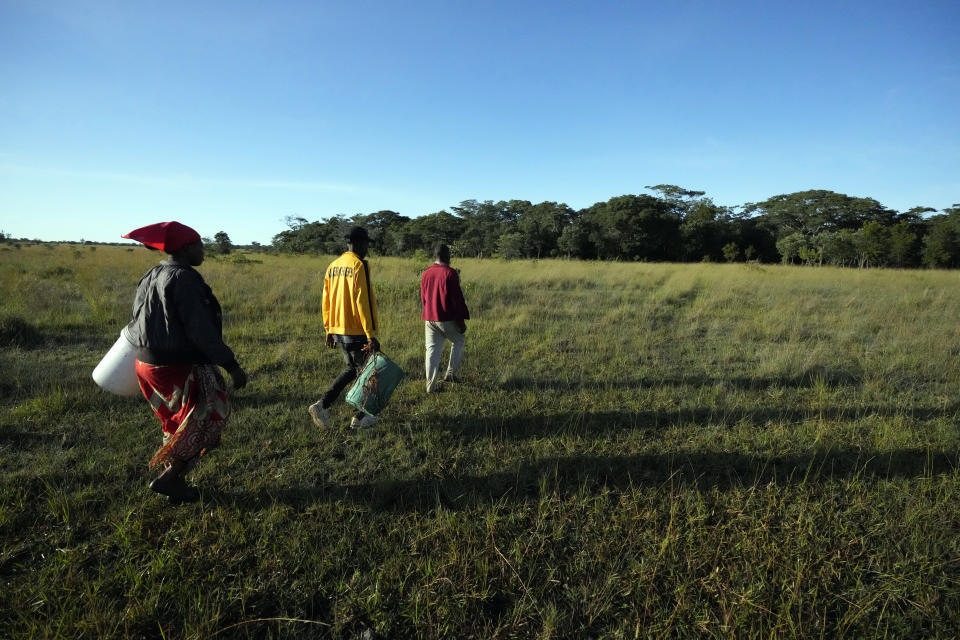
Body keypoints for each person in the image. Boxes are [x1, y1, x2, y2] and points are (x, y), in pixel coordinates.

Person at [122, 221, 248, 504]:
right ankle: (169, 478)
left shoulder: (153, 273)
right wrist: (231, 366)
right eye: (199, 245)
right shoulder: (184, 278)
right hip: (176, 365)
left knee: (176, 423)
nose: (203, 251)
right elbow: (200, 330)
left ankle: (174, 480)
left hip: (146, 364)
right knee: (208, 417)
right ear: (185, 248)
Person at [309, 226, 381, 430]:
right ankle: (360, 417)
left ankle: (322, 405)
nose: (367, 248)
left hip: (339, 329)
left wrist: (329, 329)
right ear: (358, 243)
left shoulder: (333, 266)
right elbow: (363, 301)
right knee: (367, 373)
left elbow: (326, 301)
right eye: (366, 244)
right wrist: (370, 335)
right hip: (357, 330)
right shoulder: (359, 265)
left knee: (353, 369)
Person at [420, 243, 470, 393]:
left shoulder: (426, 272)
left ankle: (430, 387)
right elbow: (457, 300)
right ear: (447, 256)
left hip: (429, 317)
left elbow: (423, 298)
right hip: (446, 318)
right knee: (459, 340)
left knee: (432, 351)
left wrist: (428, 311)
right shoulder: (450, 273)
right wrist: (460, 322)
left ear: (435, 256)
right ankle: (450, 375)